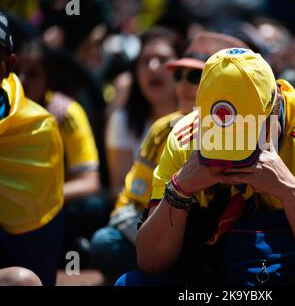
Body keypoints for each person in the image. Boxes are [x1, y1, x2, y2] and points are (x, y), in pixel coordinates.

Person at [116, 48, 295, 286]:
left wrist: (290, 192)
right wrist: (180, 189)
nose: (233, 146)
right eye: (219, 130)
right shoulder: (186, 136)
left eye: (247, 132)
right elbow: (150, 263)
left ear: (275, 107)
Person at [90, 32, 249, 283]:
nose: (183, 85)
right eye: (178, 75)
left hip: (226, 240)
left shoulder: (247, 130)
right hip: (170, 233)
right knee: (104, 242)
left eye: (195, 76)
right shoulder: (163, 129)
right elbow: (130, 201)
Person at [15, 40, 104, 264]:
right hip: (11, 205)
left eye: (33, 74)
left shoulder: (66, 114)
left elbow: (89, 182)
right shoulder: (3, 109)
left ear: (48, 80)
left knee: (93, 209)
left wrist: (38, 198)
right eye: (17, 72)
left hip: (53, 205)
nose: (22, 80)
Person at [0, 12, 64, 286]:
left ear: (8, 65)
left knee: (23, 282)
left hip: (13, 263)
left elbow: (37, 262)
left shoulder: (38, 128)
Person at [105, 27, 179, 198]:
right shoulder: (122, 120)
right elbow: (118, 188)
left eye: (163, 59)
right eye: (145, 61)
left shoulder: (200, 120)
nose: (153, 67)